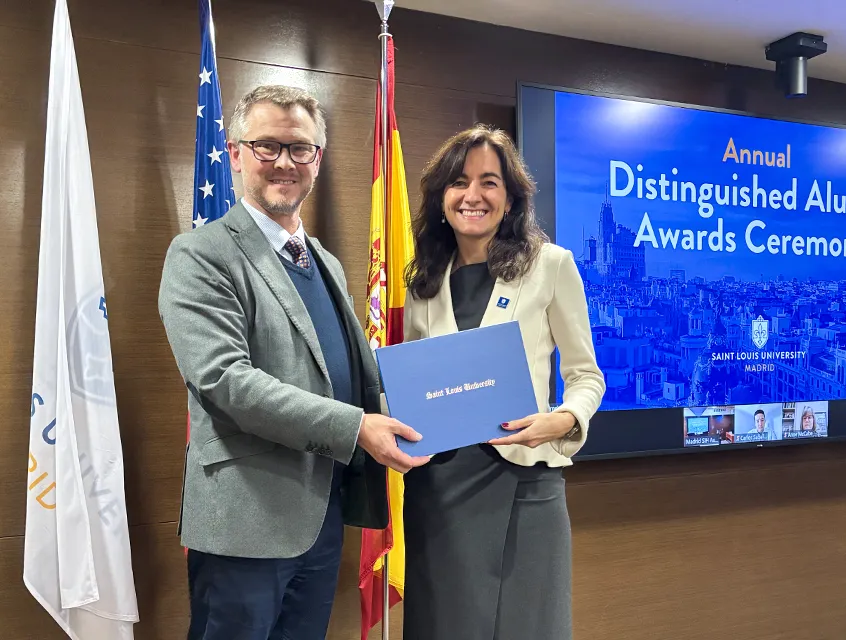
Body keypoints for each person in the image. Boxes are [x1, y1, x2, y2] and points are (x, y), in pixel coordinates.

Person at [157, 85, 429, 640]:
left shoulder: (323, 260)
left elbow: (348, 375)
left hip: (320, 516)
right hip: (246, 524)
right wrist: (356, 426)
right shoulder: (201, 255)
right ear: (235, 155)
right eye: (266, 146)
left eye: (299, 148)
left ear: (318, 160)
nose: (284, 162)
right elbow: (225, 381)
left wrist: (436, 403)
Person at [400, 124, 606, 640]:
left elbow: (586, 376)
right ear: (440, 195)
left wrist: (560, 419)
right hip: (436, 488)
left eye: (489, 182)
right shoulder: (420, 278)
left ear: (511, 196)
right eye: (459, 182)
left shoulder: (551, 266)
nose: (473, 196)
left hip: (524, 483)